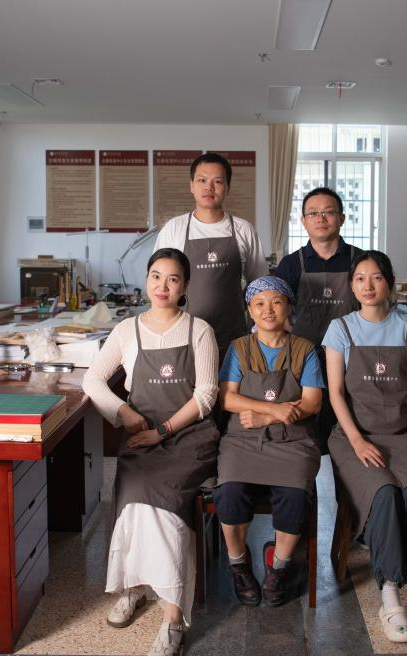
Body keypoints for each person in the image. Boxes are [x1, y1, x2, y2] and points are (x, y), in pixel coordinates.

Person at [83, 247, 219, 656]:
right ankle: (135, 586)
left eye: (173, 278)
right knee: (133, 494)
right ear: (146, 280)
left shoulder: (199, 330)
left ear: (186, 286)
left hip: (189, 436)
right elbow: (93, 380)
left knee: (166, 504)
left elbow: (207, 395)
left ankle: (173, 617)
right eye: (156, 276)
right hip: (142, 435)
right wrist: (124, 413)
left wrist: (164, 430)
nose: (163, 286)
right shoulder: (127, 330)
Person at [322, 250, 407, 644]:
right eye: (360, 278)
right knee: (386, 493)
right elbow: (335, 394)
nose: (368, 286)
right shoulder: (340, 329)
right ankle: (390, 596)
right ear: (351, 285)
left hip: (403, 434)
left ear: (389, 283)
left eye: (376, 277)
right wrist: (357, 440)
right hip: (355, 436)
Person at [213, 276, 322, 607]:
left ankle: (279, 566)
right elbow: (227, 399)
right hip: (242, 440)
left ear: (288, 307)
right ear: (250, 310)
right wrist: (274, 410)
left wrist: (266, 419)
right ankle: (239, 564)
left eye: (276, 302)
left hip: (292, 442)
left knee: (295, 497)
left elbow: (312, 403)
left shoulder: (304, 349)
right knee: (229, 493)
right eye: (259, 303)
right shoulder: (239, 349)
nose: (268, 310)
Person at [275, 187, 363, 452]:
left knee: (349, 427)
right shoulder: (291, 264)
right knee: (308, 432)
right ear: (304, 221)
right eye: (313, 213)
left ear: (342, 218)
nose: (321, 218)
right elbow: (276, 309)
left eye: (328, 212)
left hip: (352, 359)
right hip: (305, 361)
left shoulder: (360, 260)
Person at [153, 152, 268, 353]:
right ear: (191, 185)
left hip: (234, 338)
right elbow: (158, 284)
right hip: (183, 337)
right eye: (202, 180)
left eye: (218, 181)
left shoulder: (243, 229)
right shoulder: (174, 229)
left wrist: (260, 329)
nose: (209, 187)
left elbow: (260, 285)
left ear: (227, 187)